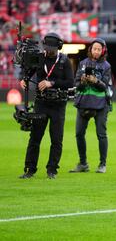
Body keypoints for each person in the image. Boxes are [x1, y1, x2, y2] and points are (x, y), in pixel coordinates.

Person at [19, 32, 74, 179]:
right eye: (47, 47)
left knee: (56, 140)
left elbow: (70, 82)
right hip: (41, 103)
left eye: (51, 48)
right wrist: (24, 79)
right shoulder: (39, 57)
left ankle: (52, 170)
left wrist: (52, 83)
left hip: (58, 105)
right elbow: (27, 71)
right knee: (35, 138)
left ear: (58, 48)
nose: (48, 50)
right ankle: (30, 169)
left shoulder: (64, 61)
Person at [70, 38, 112, 174]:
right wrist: (82, 81)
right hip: (83, 102)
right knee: (79, 134)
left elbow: (104, 86)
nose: (96, 51)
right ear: (91, 49)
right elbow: (76, 84)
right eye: (94, 49)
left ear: (103, 51)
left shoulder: (106, 66)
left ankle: (102, 164)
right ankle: (83, 163)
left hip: (101, 104)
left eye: (99, 49)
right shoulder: (82, 64)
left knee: (101, 134)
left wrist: (96, 81)